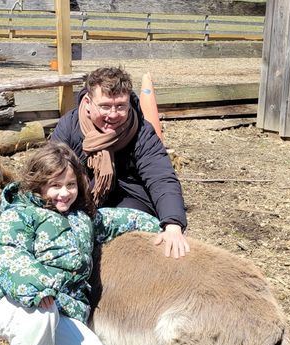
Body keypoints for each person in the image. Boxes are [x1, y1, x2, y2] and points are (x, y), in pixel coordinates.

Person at [0, 143, 162, 345]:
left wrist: (163, 226)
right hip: (16, 301)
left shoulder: (81, 218)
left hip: (60, 309)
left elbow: (118, 220)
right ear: (38, 183)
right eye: (55, 185)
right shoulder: (20, 213)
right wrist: (37, 288)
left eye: (71, 185)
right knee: (41, 315)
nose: (64, 193)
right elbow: (8, 254)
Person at [50, 66, 190, 259]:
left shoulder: (141, 131)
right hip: (81, 195)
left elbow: (161, 176)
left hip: (129, 198)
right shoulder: (69, 127)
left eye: (121, 106)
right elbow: (50, 170)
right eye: (105, 106)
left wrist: (173, 223)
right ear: (88, 103)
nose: (114, 114)